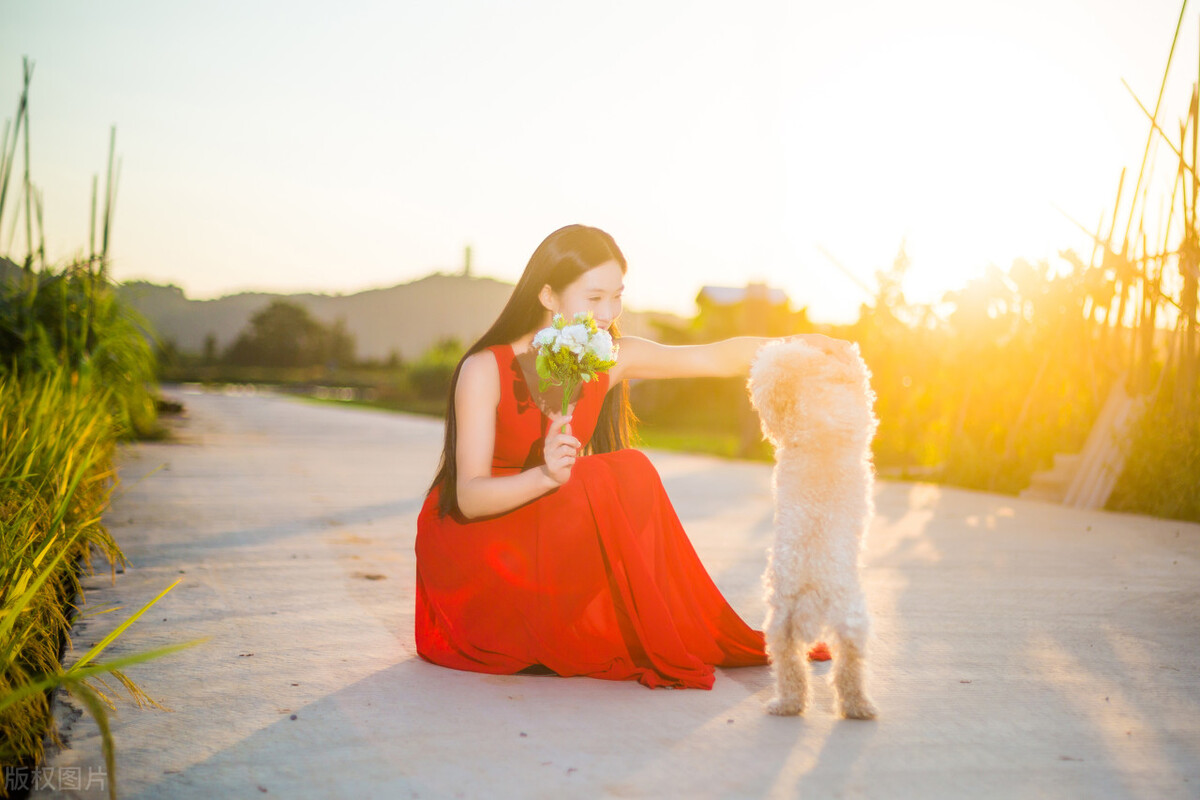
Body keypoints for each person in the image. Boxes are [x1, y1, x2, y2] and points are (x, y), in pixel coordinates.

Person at [415, 224, 835, 690]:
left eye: (616, 297)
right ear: (548, 296)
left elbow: (713, 358)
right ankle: (536, 626)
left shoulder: (610, 357)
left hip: (540, 534)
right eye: (593, 299)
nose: (607, 313)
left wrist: (799, 348)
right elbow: (469, 498)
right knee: (598, 476)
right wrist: (545, 477)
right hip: (477, 551)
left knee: (627, 470)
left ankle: (563, 623)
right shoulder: (484, 368)